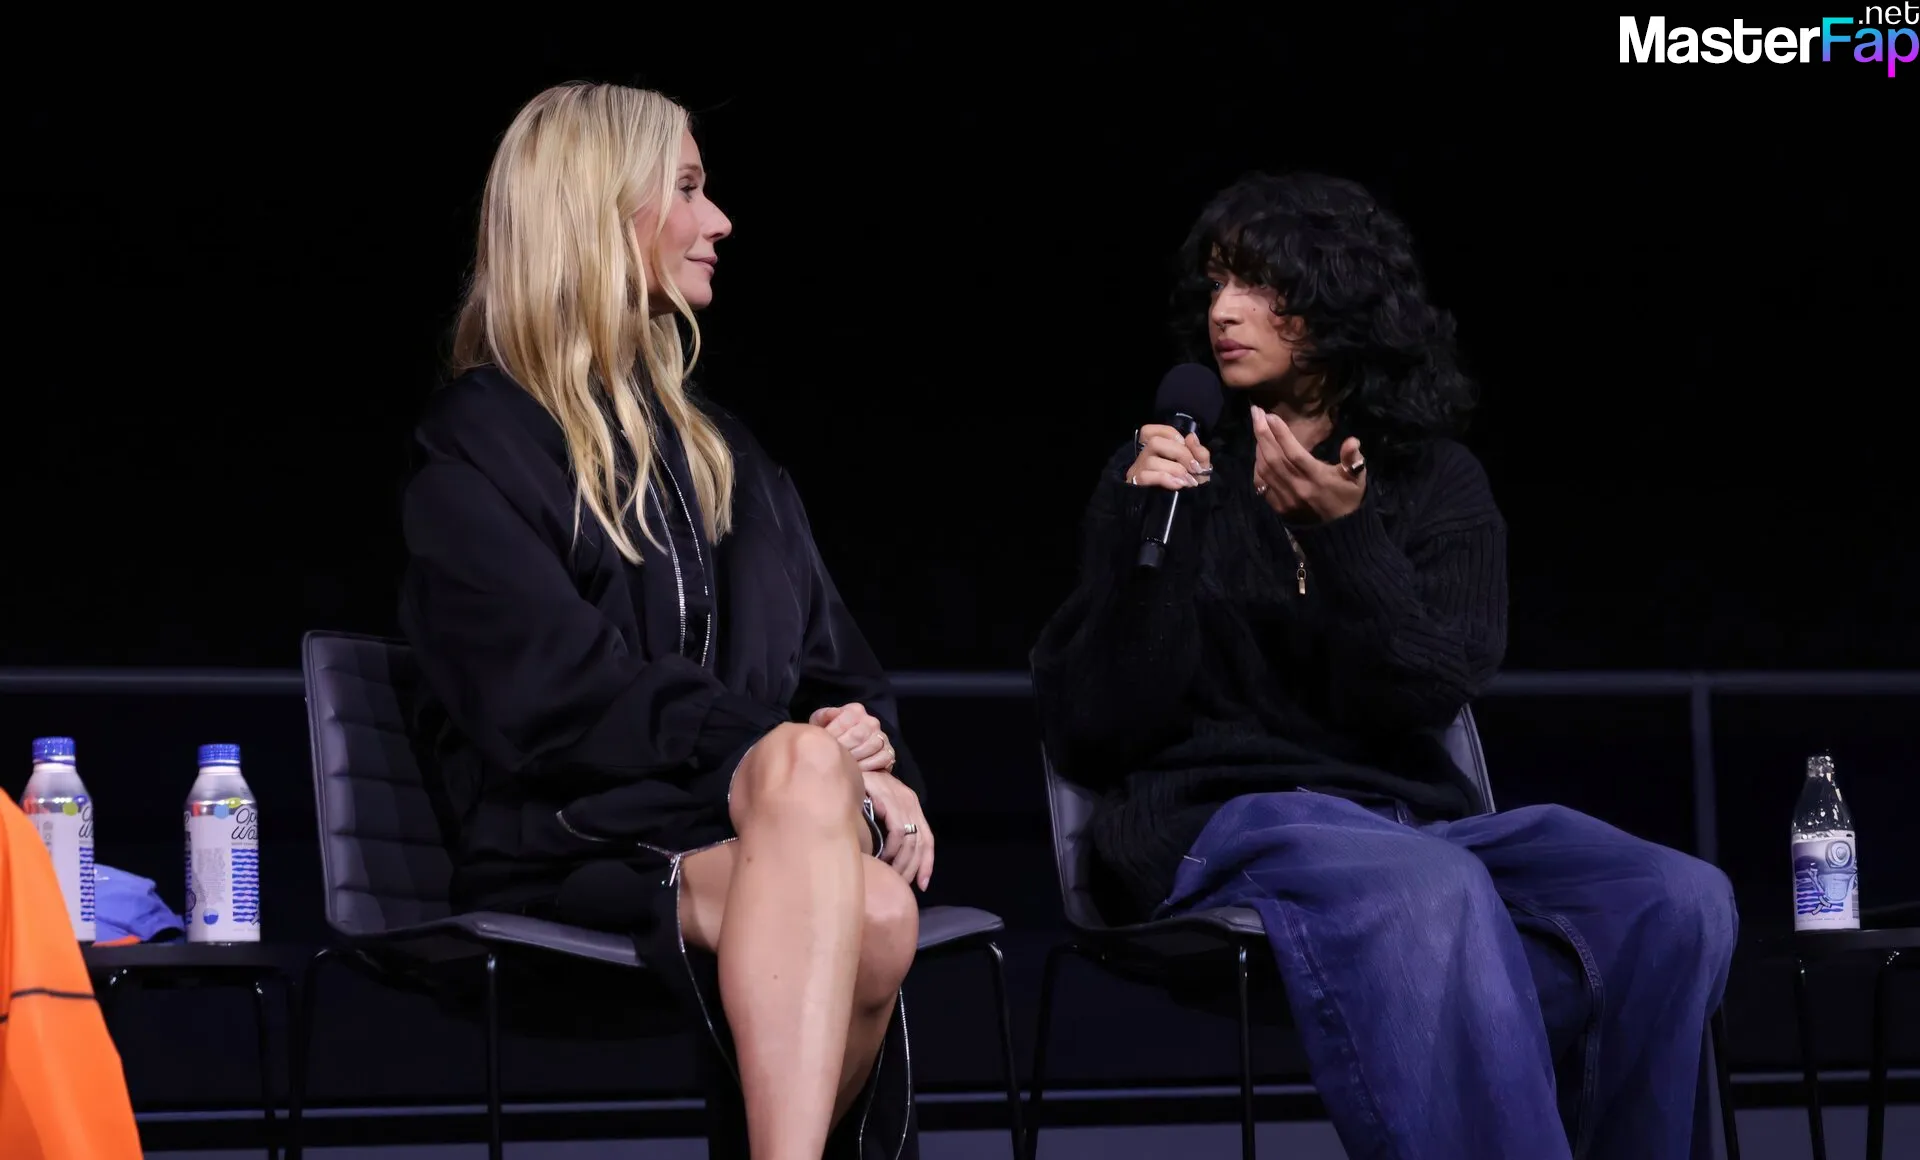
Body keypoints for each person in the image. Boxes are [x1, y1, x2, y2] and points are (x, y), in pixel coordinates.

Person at [1031, 172, 1737, 1159]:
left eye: (1259, 284)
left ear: (1338, 301)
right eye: (1216, 283)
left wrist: (1346, 540)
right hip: (1221, 821)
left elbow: (1431, 684)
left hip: (1411, 826)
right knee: (1429, 884)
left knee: (1675, 896)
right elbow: (1095, 725)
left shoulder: (1436, 483)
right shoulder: (1164, 472)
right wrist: (1162, 529)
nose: (1224, 310)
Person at [398, 83, 934, 1160]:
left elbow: (846, 680)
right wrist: (785, 758)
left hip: (748, 840)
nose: (719, 219)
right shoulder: (477, 444)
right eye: (686, 188)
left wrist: (868, 757)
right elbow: (553, 695)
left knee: (881, 913)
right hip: (570, 850)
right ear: (596, 215)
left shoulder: (730, 457)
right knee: (822, 821)